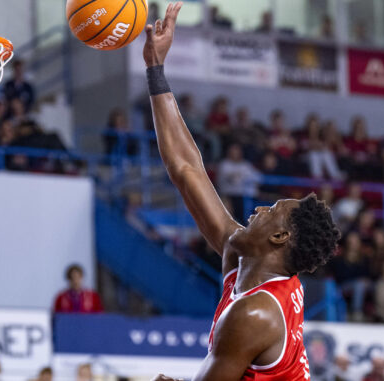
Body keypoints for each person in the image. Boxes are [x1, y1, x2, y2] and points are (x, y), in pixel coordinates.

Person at [143, 4, 340, 379]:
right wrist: (155, 69)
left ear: (280, 237)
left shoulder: (254, 313)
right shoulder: (244, 257)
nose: (258, 210)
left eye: (271, 211)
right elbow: (187, 170)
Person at [216, 144, 262, 223]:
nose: (235, 153)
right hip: (228, 196)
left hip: (245, 196)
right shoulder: (224, 164)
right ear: (229, 152)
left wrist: (241, 177)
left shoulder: (245, 165)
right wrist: (241, 177)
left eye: (237, 151)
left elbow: (258, 178)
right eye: (233, 151)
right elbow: (233, 180)